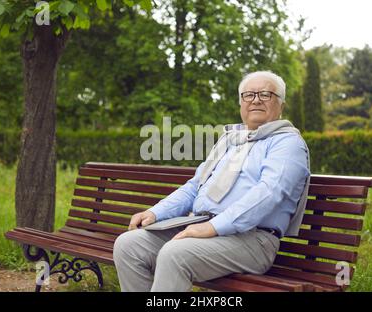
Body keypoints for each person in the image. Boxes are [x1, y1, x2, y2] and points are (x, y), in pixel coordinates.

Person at [113, 70, 311, 292]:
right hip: (202, 226)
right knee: (128, 245)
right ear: (241, 103)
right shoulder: (231, 140)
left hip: (253, 240)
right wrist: (156, 212)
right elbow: (194, 187)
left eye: (265, 94)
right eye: (248, 95)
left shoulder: (287, 143)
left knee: (175, 254)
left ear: (281, 104)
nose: (255, 100)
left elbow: (269, 193)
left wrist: (213, 227)